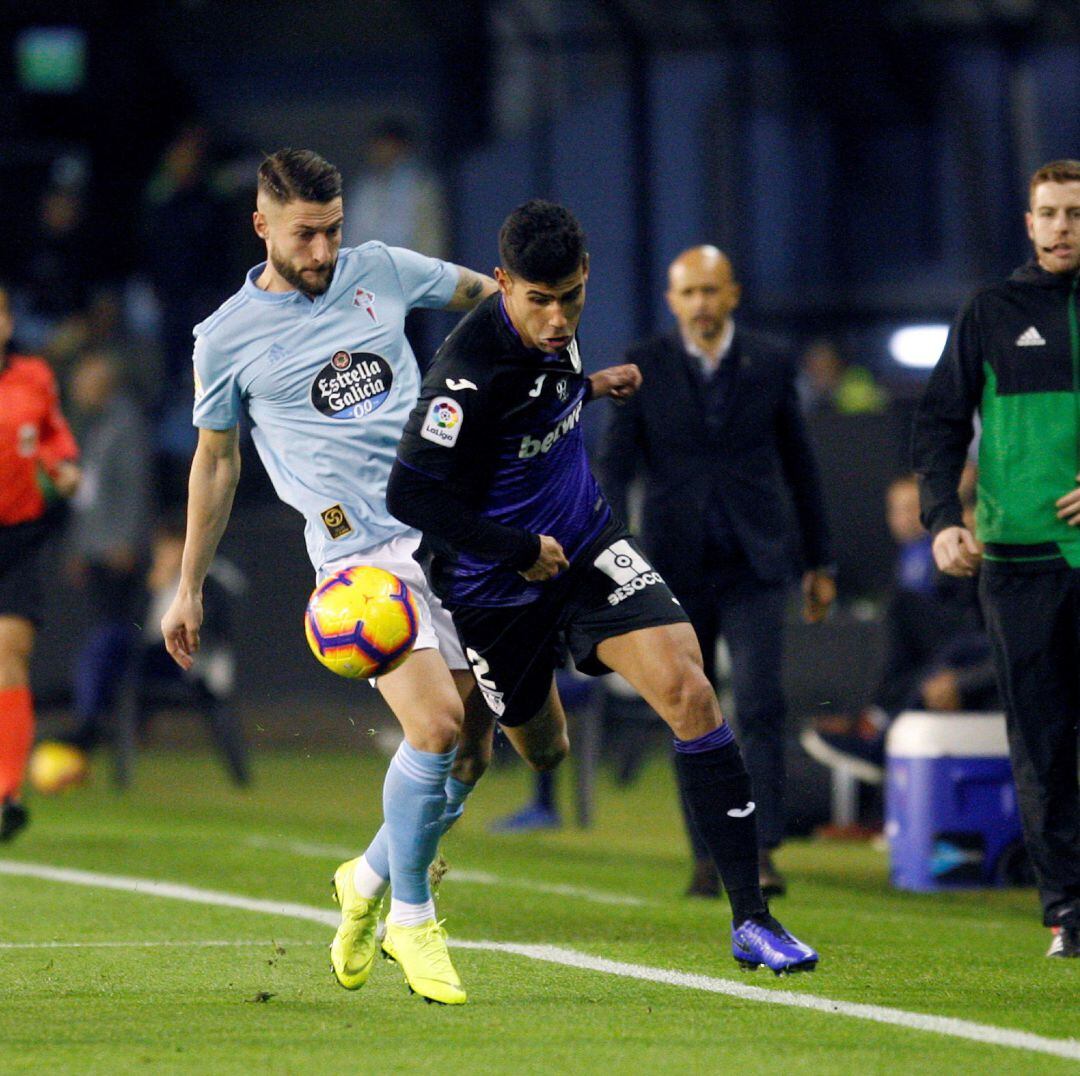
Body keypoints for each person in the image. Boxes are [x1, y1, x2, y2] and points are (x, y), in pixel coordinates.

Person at [387, 200, 820, 975]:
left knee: (690, 688)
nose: (557, 320)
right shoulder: (462, 377)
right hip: (496, 584)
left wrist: (586, 386)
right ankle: (392, 867)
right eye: (537, 301)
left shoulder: (558, 329)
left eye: (570, 299)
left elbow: (541, 398)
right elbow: (411, 498)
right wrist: (516, 549)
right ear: (501, 284)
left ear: (585, 276)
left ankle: (752, 919)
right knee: (544, 750)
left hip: (586, 541)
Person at [159, 149, 500, 1005]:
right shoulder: (224, 337)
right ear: (262, 225)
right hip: (360, 563)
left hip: (448, 529)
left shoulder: (379, 270)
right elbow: (215, 464)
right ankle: (412, 917)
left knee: (474, 745)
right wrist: (189, 583)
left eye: (332, 230)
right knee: (432, 726)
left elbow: (484, 296)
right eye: (305, 234)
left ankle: (367, 876)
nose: (321, 251)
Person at [597, 246, 835, 899]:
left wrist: (819, 560)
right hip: (673, 566)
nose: (701, 303)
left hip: (756, 562)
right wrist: (617, 550)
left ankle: (760, 851)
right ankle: (706, 853)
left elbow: (800, 464)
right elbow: (615, 465)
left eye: (711, 290)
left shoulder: (768, 361)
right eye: (689, 293)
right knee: (686, 706)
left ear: (732, 294)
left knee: (760, 703)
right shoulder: (643, 365)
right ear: (673, 302)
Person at [912, 159, 1080, 960]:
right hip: (1018, 563)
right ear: (1027, 222)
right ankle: (1069, 913)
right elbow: (940, 425)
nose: (1061, 227)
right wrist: (944, 518)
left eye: (1075, 213)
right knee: (1042, 741)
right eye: (1048, 213)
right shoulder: (990, 309)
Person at [800, 473, 998, 785]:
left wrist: (962, 681)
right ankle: (876, 725)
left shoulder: (970, 537)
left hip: (988, 642)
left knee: (931, 643)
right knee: (924, 655)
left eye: (911, 508)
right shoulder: (921, 553)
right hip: (965, 642)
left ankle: (875, 730)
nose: (904, 518)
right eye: (897, 509)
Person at [0, 284, 81, 839]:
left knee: (10, 653)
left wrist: (63, 467)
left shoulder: (33, 376)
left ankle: (6, 793)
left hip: (20, 536)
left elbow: (53, 437)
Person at [63, 352, 152, 752]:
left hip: (117, 551)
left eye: (83, 381)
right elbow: (87, 494)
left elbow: (134, 486)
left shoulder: (125, 422)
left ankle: (94, 719)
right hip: (98, 547)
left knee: (111, 634)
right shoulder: (92, 424)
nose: (76, 389)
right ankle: (98, 715)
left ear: (104, 382)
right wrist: (81, 547)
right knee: (104, 634)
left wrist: (125, 541)